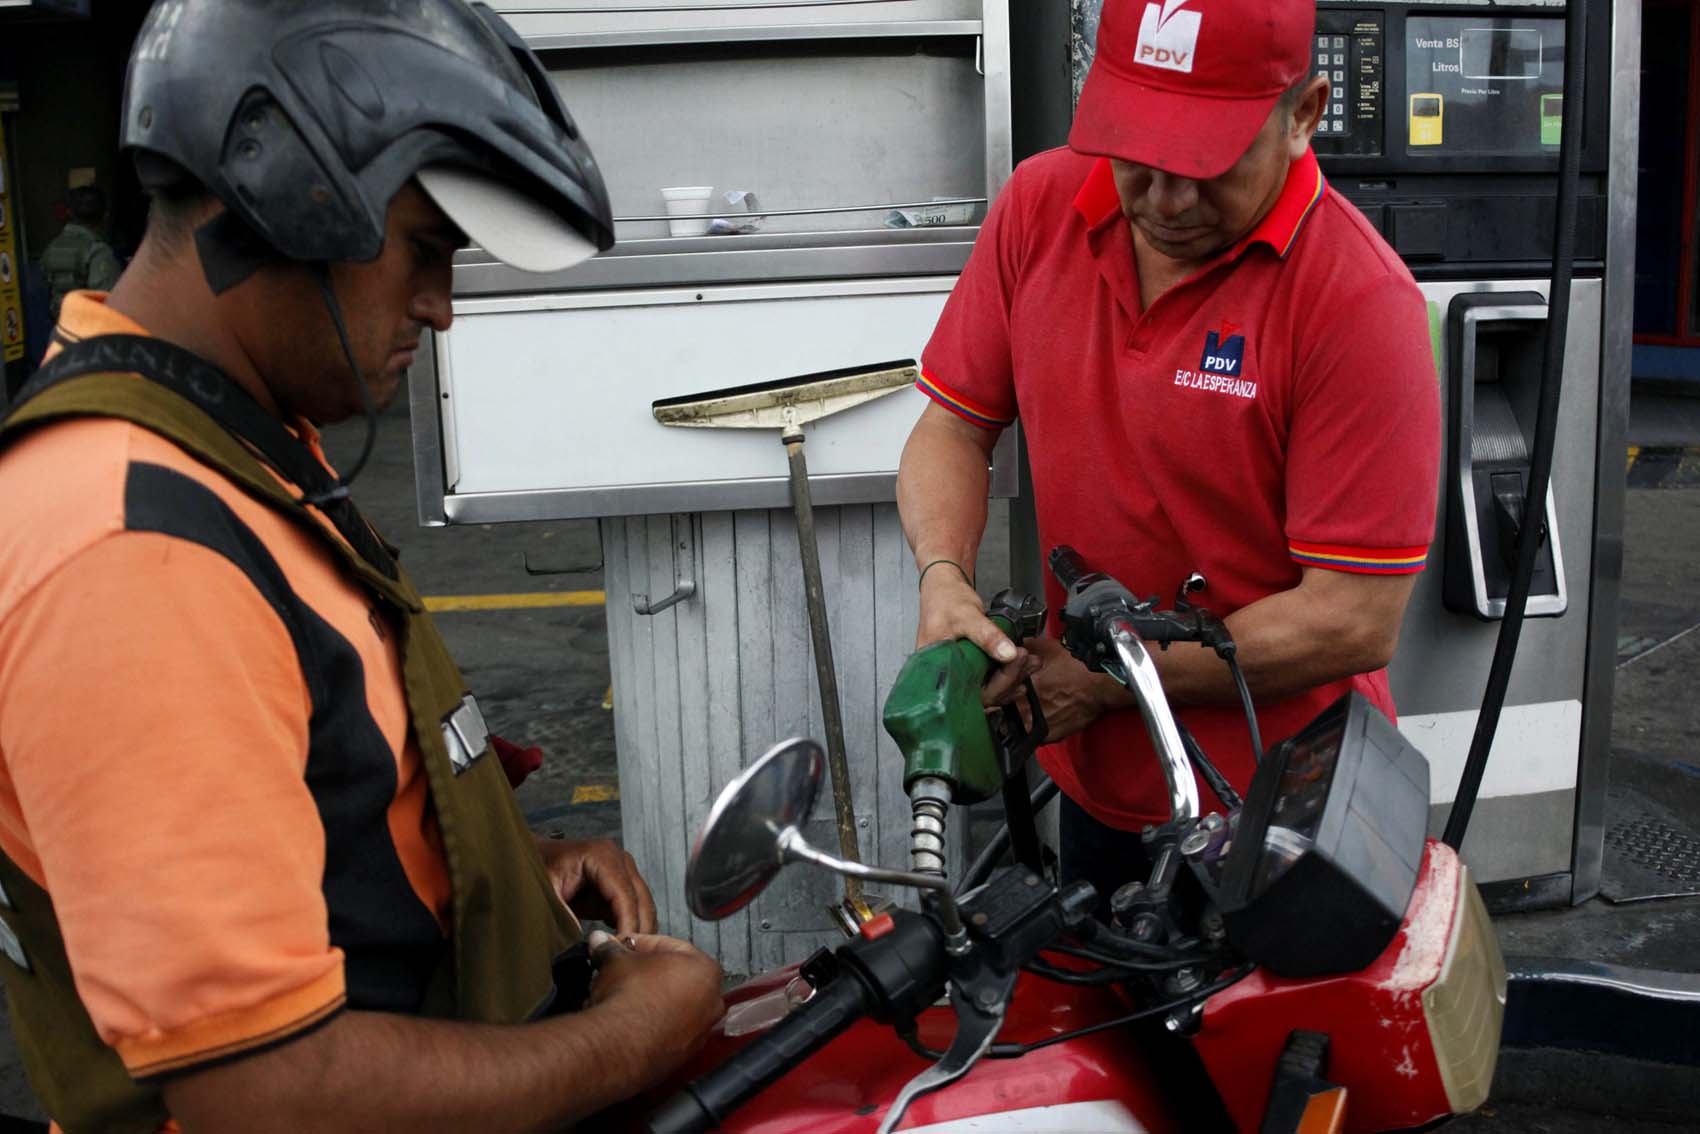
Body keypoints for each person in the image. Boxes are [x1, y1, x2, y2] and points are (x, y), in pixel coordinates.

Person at [0, 2, 722, 1131]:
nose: (438, 306)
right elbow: (268, 1090)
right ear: (286, 198)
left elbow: (297, 799)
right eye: (425, 248)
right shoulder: (133, 546)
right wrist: (632, 1034)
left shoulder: (230, 445)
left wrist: (496, 869)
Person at [897, 0, 1440, 912]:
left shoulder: (1358, 302)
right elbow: (953, 425)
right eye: (1138, 153)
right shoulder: (1042, 204)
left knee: (1261, 1052)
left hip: (1282, 805)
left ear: (1305, 113)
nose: (1166, 199)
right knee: (1103, 1036)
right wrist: (942, 577)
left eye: (1208, 162)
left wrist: (1110, 680)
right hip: (1095, 775)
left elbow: (1352, 618)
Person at [38, 184, 121, 319]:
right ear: (105, 215)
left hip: (62, 326)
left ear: (69, 213)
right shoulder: (98, 251)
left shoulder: (52, 247)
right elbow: (107, 300)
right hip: (91, 328)